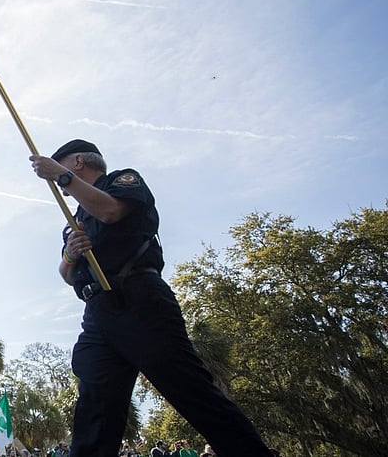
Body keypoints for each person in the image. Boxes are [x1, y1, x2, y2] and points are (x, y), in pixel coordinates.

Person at [31, 139, 276, 457]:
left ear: (77, 162)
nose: (57, 180)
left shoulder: (122, 182)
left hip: (138, 300)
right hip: (98, 312)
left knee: (190, 390)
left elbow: (109, 211)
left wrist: (62, 177)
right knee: (95, 408)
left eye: (60, 166)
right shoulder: (74, 215)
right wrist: (70, 254)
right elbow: (66, 275)